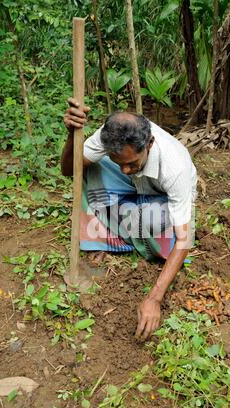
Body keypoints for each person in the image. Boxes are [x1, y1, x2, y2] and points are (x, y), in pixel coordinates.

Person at [62, 98, 197, 341]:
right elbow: (69, 170)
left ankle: (129, 228)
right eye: (119, 163)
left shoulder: (174, 167)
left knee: (154, 220)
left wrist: (154, 298)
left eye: (132, 162)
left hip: (160, 196)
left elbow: (184, 240)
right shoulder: (109, 138)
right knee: (89, 168)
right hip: (132, 188)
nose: (125, 169)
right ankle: (107, 238)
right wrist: (72, 135)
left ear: (150, 143)